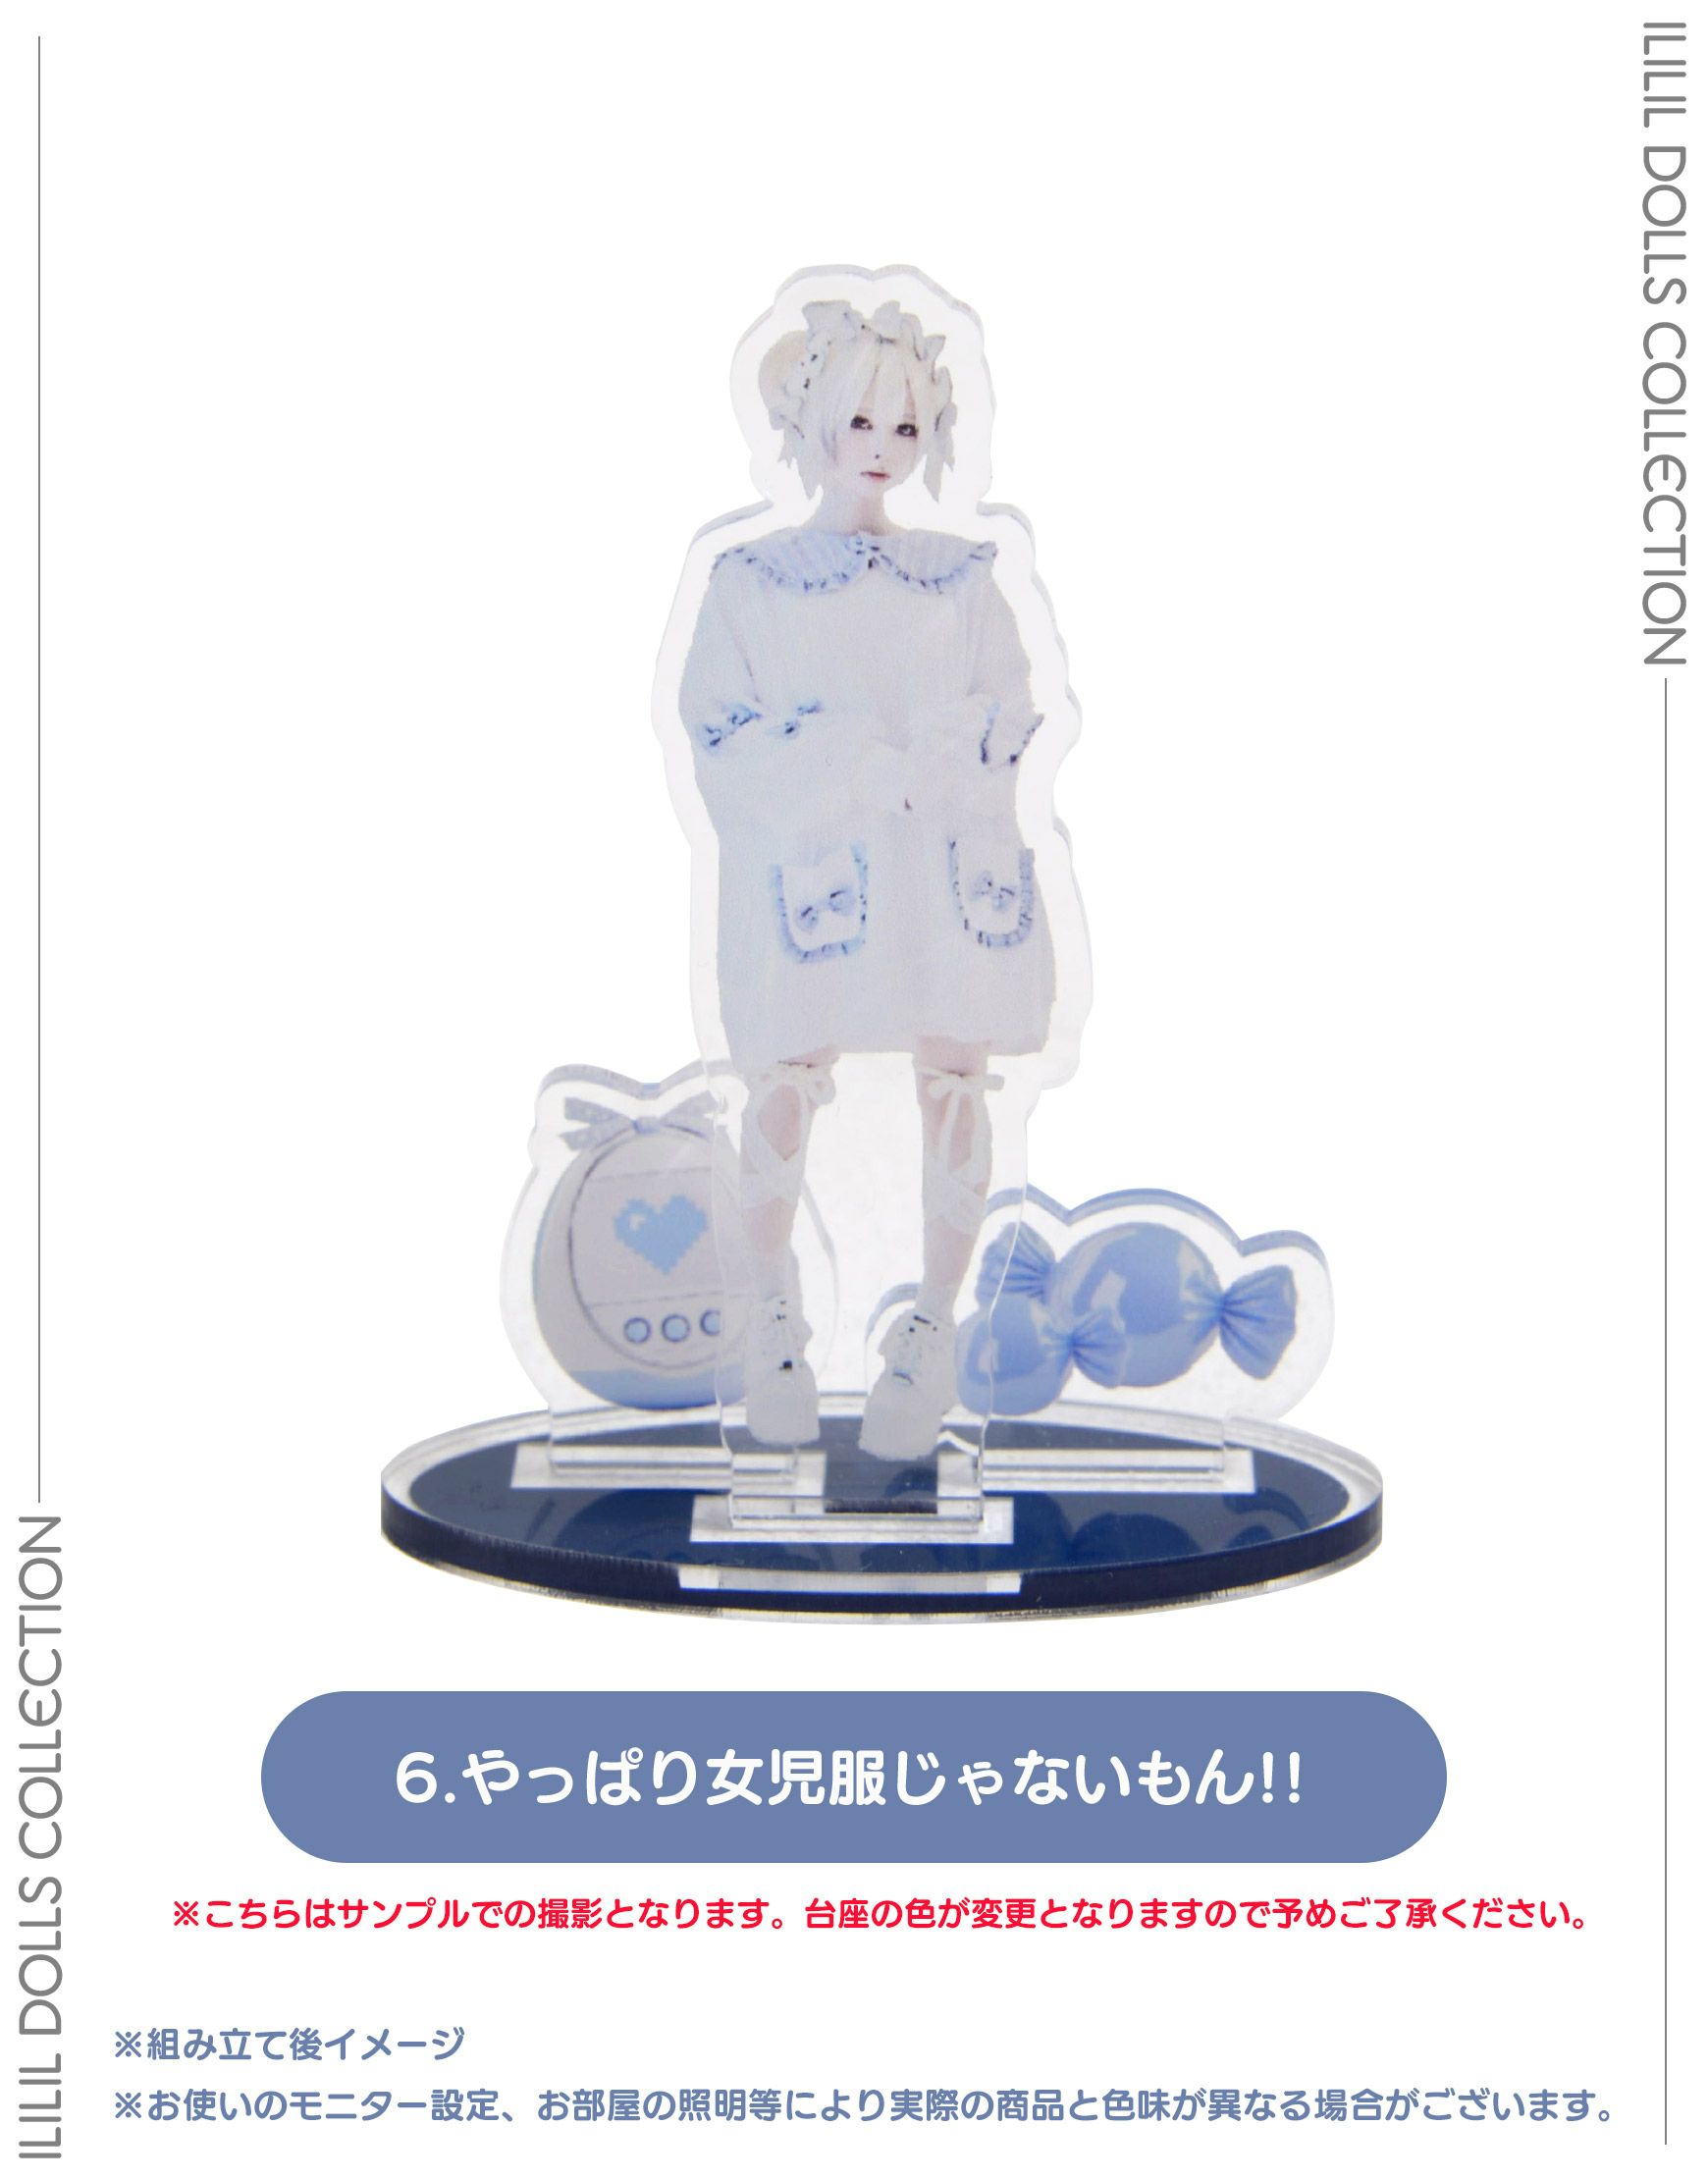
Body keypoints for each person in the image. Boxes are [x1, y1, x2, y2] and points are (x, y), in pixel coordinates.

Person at [677, 299, 1056, 1458]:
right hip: (817, 870)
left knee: (957, 1075)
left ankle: (933, 1327)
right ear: (809, 423)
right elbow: (721, 728)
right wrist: (845, 770)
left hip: (940, 868)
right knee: (784, 1075)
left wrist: (944, 765)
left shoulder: (959, 579)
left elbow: (1009, 708)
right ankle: (769, 1321)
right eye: (859, 421)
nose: (883, 447)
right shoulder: (753, 582)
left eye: (906, 426)